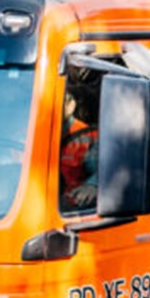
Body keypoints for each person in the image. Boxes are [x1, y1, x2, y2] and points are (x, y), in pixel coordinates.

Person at [59, 74, 101, 211]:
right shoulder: (27, 131)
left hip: (70, 208)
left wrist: (93, 185)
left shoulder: (88, 136)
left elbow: (103, 171)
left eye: (60, 101)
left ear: (71, 105)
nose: (55, 105)